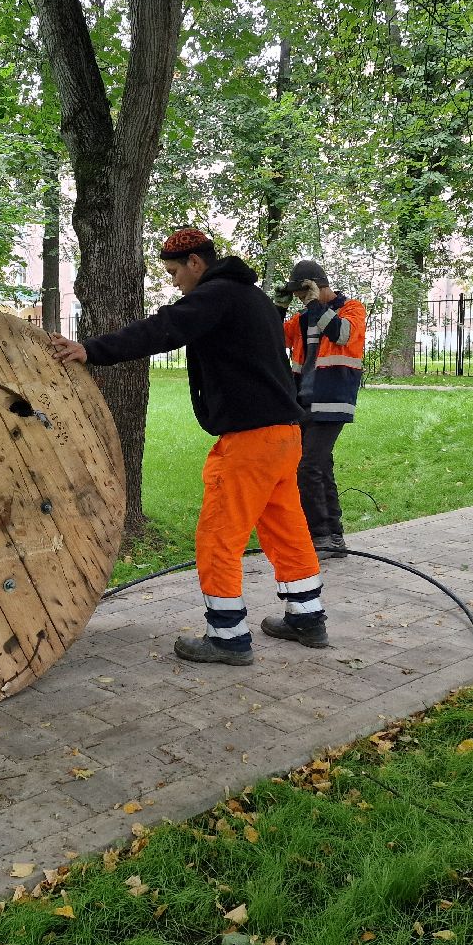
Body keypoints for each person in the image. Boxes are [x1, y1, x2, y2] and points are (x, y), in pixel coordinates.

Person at [50, 227, 327, 664]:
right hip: (284, 435)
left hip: (250, 441)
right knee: (286, 527)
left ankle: (227, 637)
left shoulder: (217, 294)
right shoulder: (251, 297)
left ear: (196, 263)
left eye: (176, 272)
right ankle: (307, 617)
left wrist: (90, 350)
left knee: (219, 536)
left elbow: (164, 329)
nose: (175, 281)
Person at [274, 259, 367, 560]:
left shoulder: (352, 309)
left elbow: (340, 334)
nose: (302, 300)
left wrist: (315, 305)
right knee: (320, 467)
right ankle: (333, 537)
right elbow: (273, 339)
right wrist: (279, 308)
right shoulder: (302, 318)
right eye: (300, 297)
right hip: (304, 403)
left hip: (333, 402)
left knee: (308, 467)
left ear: (318, 285)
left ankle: (322, 535)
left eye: (305, 293)